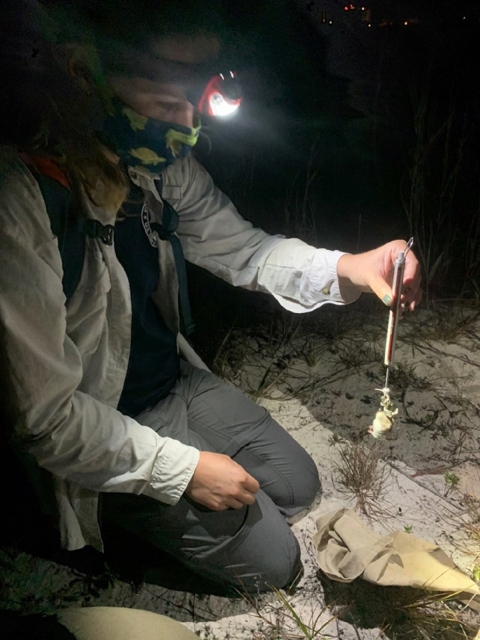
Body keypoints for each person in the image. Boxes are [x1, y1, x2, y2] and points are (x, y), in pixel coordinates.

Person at [0, 0, 422, 595]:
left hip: (172, 380)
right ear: (81, 74)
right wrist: (184, 470)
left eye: (194, 104)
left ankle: (174, 492)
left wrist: (353, 266)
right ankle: (92, 532)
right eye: (167, 104)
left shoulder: (157, 168)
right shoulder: (22, 199)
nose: (185, 128)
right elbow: (45, 420)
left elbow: (245, 250)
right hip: (98, 419)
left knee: (297, 484)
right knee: (275, 563)